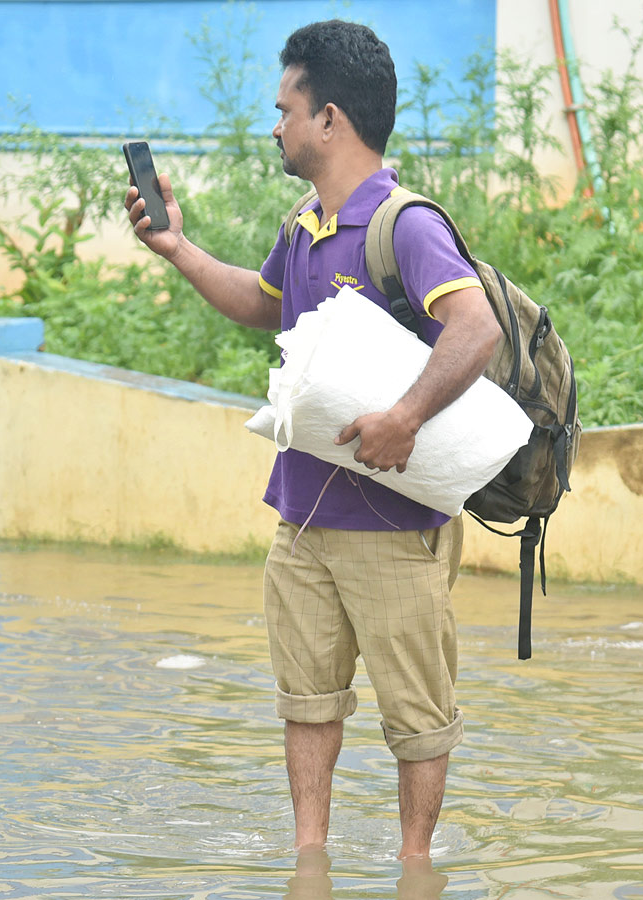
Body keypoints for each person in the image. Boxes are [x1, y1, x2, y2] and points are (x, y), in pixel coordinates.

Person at [124, 20, 502, 859]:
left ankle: (413, 867)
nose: (275, 125)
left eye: (284, 108)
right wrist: (176, 247)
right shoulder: (305, 224)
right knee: (306, 701)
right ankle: (310, 861)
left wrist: (405, 417)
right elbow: (265, 305)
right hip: (300, 517)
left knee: (418, 717)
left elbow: (474, 328)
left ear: (329, 119)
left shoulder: (404, 224)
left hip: (396, 532)